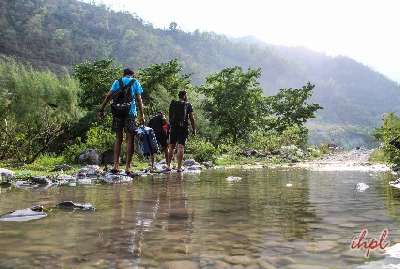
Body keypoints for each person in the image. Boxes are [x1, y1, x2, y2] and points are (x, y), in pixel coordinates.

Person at [97, 68, 145, 176]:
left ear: (123, 74)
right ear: (132, 75)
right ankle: (128, 167)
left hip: (117, 113)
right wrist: (142, 115)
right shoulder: (135, 82)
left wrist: (101, 109)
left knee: (118, 138)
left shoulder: (117, 82)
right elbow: (139, 99)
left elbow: (109, 96)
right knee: (130, 139)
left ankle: (115, 166)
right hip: (130, 113)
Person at [167, 90, 196, 172]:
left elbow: (170, 115)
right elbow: (191, 118)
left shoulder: (173, 103)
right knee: (180, 146)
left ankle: (168, 165)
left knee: (171, 146)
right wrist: (194, 129)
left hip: (173, 127)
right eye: (186, 95)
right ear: (184, 96)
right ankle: (179, 167)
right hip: (183, 127)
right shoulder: (188, 104)